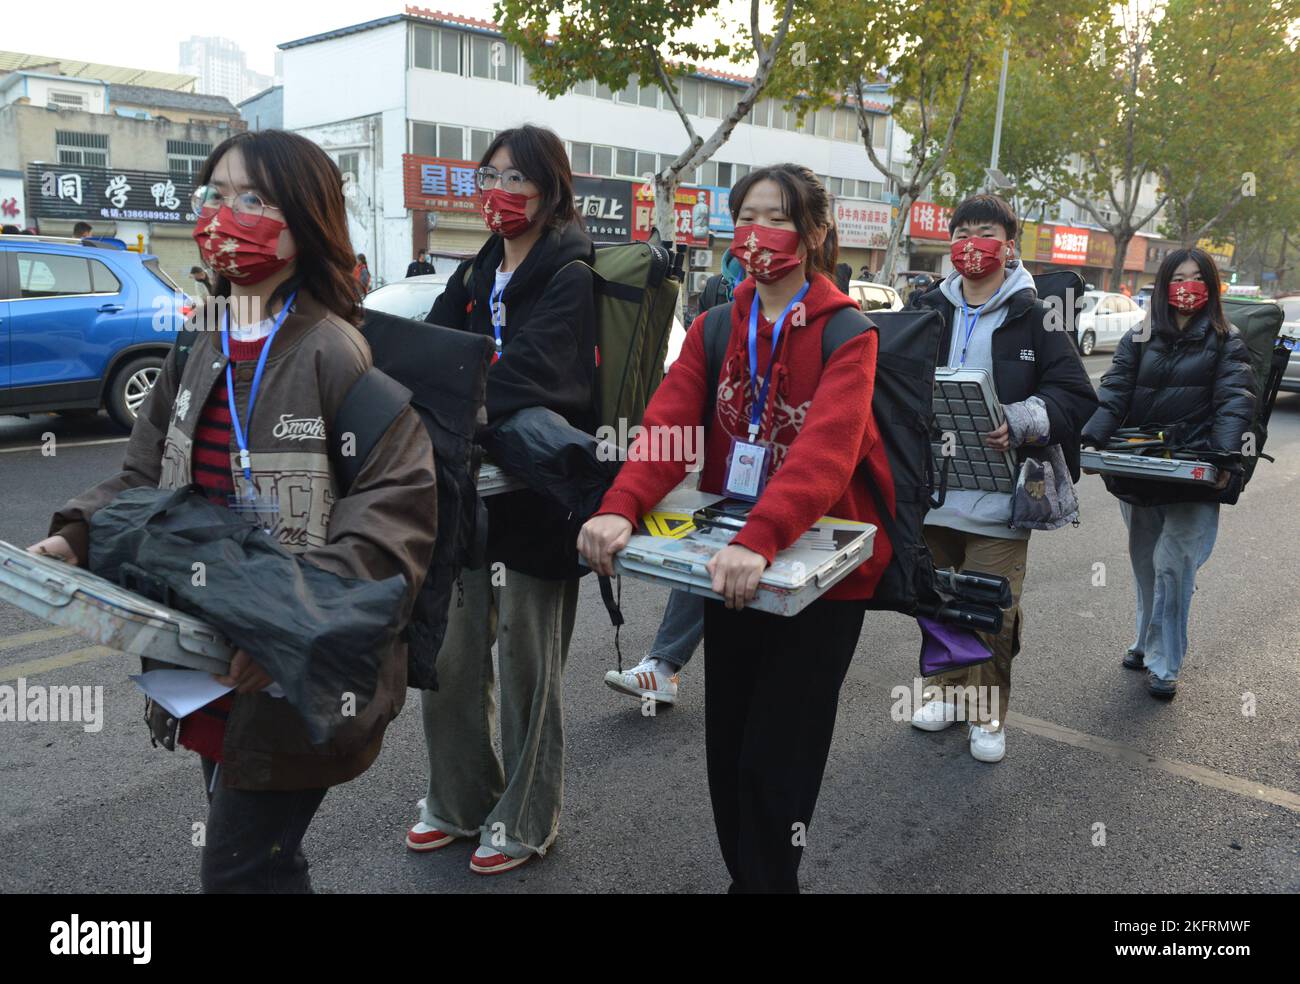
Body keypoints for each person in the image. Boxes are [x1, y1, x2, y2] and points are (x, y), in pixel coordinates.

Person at [28, 129, 438, 893]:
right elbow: (144, 476)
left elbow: (391, 524)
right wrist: (78, 536)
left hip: (288, 665)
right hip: (204, 651)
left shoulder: (335, 353)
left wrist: (285, 625)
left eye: (254, 199)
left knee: (239, 870)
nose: (226, 215)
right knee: (260, 857)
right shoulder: (201, 339)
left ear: (307, 220)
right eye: (216, 194)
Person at [579, 163, 894, 893]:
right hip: (735, 566)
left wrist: (761, 535)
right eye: (746, 214)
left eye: (777, 217)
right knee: (730, 747)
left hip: (819, 579)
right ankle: (747, 878)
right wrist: (619, 504)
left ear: (813, 234)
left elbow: (826, 452)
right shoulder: (721, 323)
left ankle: (767, 882)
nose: (758, 233)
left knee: (779, 757)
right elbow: (669, 423)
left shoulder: (849, 331)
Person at [408, 124, 597, 875]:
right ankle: (457, 801)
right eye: (488, 176)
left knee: (528, 668)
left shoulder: (572, 273)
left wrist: (455, 394)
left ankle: (527, 817)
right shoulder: (478, 268)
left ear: (550, 189)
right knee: (448, 657)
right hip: (465, 488)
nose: (498, 192)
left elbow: (537, 378)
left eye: (515, 179)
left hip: (538, 499)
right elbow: (425, 349)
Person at [908, 194, 1096, 763]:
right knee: (935, 598)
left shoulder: (1035, 315)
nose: (970, 242)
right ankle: (943, 692)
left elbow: (1075, 397)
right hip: (933, 491)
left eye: (983, 231)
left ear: (1008, 244)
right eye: (960, 231)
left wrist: (1019, 421)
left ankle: (987, 712)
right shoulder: (925, 308)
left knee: (990, 607)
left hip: (1001, 495)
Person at [1081, 247, 1256, 699]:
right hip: (1142, 469)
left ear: (1211, 287)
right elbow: (1115, 391)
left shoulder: (1227, 340)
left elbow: (1235, 402)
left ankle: (1165, 662)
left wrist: (1222, 458)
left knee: (1173, 566)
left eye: (1197, 277)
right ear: (1162, 286)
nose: (1186, 285)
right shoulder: (1138, 337)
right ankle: (1144, 641)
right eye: (1178, 277)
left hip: (1194, 472)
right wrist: (1090, 439)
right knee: (1144, 565)